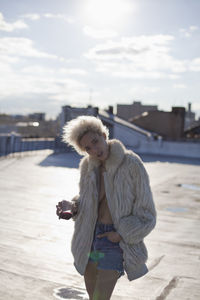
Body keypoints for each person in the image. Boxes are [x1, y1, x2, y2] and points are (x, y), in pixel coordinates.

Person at [56, 115, 156, 300]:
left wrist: (121, 234)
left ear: (104, 135)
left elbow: (147, 213)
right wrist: (73, 206)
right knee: (93, 295)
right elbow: (87, 199)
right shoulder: (88, 166)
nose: (94, 150)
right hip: (91, 239)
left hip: (114, 241)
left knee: (100, 297)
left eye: (95, 142)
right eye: (88, 148)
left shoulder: (131, 164)